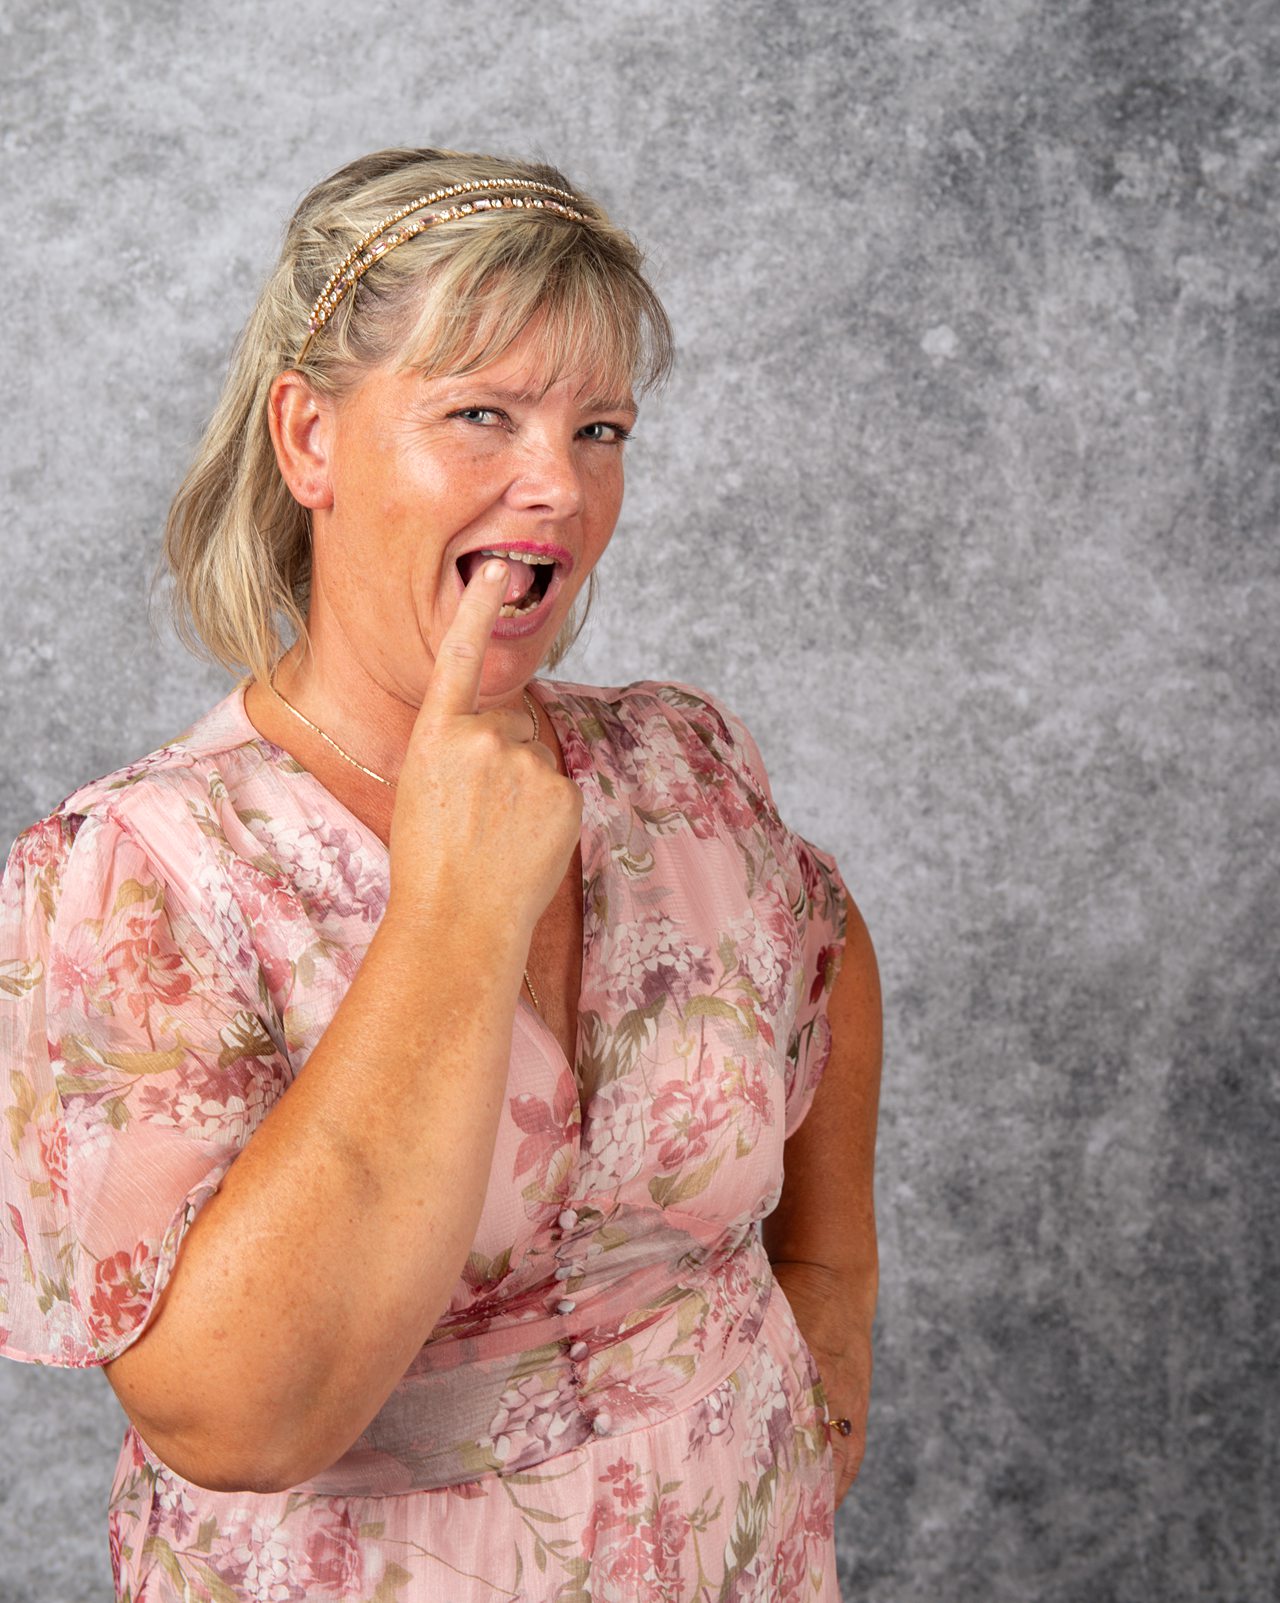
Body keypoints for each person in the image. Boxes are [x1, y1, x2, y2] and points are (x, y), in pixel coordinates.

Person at [0, 147, 883, 1603]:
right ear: (311, 441)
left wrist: (827, 1321)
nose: (559, 485)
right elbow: (232, 1419)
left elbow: (822, 946)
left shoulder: (678, 767)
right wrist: (456, 912)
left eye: (600, 428)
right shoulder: (147, 877)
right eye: (484, 414)